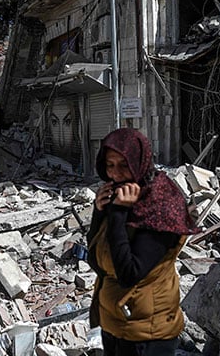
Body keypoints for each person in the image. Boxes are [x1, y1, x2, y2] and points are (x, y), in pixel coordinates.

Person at [86, 128, 199, 356]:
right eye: (110, 165)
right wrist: (100, 213)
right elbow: (97, 261)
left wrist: (117, 214)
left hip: (147, 333)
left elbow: (129, 274)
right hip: (116, 323)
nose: (116, 174)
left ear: (140, 162)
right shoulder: (121, 197)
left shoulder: (161, 204)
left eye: (124, 165)